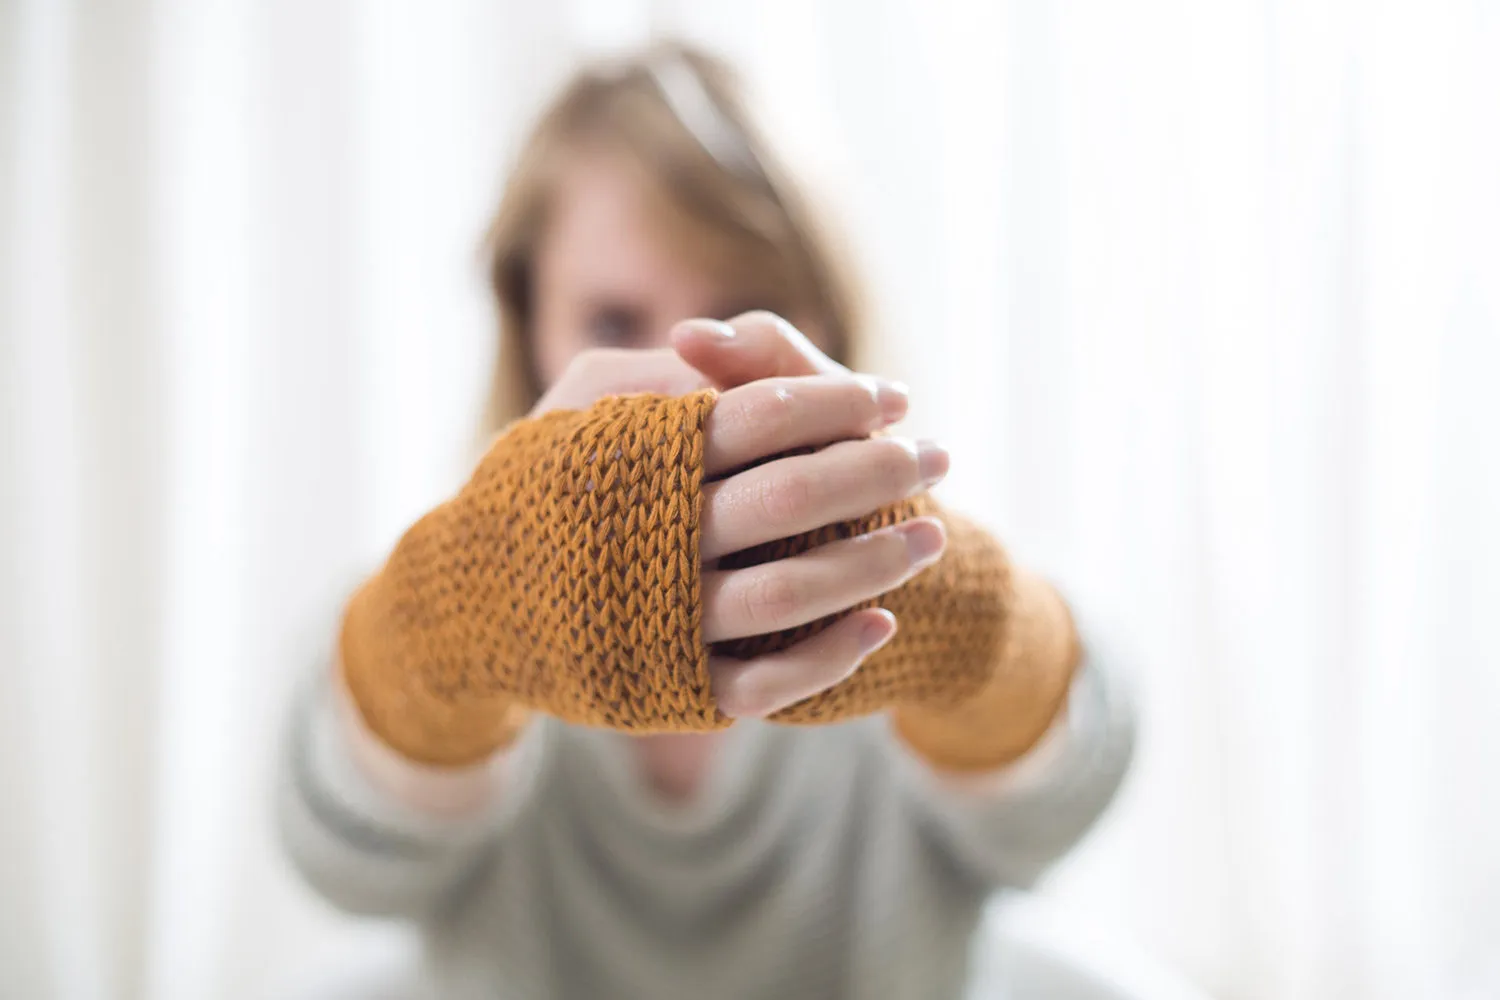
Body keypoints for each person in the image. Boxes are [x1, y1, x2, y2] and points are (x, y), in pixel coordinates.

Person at [277, 41, 1135, 1000]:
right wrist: (444, 627)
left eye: (741, 311)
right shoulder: (453, 588)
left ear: (830, 321)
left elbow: (1065, 806)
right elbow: (345, 861)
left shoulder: (900, 576)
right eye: (612, 321)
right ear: (529, 333)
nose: (685, 382)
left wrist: (971, 626)